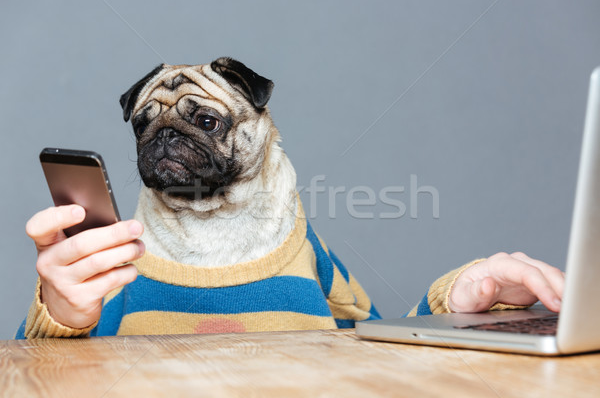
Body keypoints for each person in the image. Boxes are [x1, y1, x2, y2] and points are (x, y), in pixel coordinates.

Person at [18, 204, 564, 336]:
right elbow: (31, 378)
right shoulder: (111, 274)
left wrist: (462, 300)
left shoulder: (307, 252)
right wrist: (60, 313)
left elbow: (379, 348)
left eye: (207, 121)